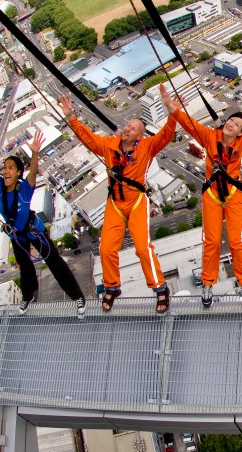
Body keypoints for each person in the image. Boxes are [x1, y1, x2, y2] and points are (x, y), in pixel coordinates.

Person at [161, 83, 242, 308]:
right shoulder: (210, 136)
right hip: (211, 194)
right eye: (230, 120)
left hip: (232, 195)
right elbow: (188, 124)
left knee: (236, 241)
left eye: (236, 124)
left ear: (241, 132)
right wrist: (172, 108)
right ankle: (208, 283)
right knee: (210, 241)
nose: (231, 123)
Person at [60, 96, 177, 313]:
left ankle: (160, 288)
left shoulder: (146, 147)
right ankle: (112, 286)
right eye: (127, 126)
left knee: (143, 248)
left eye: (133, 129)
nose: (127, 130)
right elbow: (88, 139)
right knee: (106, 249)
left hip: (135, 203)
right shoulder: (109, 145)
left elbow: (166, 136)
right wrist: (70, 117)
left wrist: (172, 115)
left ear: (140, 136)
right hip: (115, 202)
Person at [0, 126, 86, 317]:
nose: (5, 171)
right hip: (18, 235)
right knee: (25, 268)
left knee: (54, 262)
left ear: (18, 173)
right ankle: (28, 296)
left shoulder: (24, 189)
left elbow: (33, 172)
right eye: (4, 168)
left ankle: (77, 296)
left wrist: (34, 153)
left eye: (10, 168)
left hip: (33, 231)